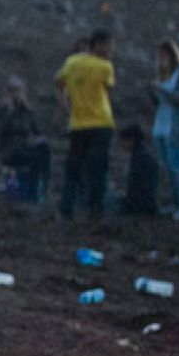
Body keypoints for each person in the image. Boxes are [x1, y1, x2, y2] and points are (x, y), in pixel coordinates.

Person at [55, 29, 117, 219]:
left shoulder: (72, 62)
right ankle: (95, 209)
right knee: (98, 170)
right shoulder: (105, 66)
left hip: (78, 124)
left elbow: (59, 85)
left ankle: (66, 207)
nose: (110, 49)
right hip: (100, 123)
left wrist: (67, 108)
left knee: (73, 168)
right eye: (107, 45)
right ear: (98, 44)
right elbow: (108, 91)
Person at [152, 40, 179, 220]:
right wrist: (153, 91)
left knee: (177, 166)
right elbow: (157, 103)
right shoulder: (163, 74)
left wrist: (162, 90)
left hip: (175, 127)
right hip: (161, 126)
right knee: (168, 167)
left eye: (165, 54)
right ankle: (175, 202)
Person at [0, 77, 51, 203]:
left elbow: (37, 130)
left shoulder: (28, 112)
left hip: (25, 147)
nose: (16, 94)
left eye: (18, 91)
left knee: (44, 150)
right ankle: (33, 193)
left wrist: (39, 140)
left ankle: (41, 190)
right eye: (13, 91)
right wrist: (10, 112)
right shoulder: (2, 111)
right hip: (9, 149)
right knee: (35, 157)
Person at [119, 124, 160, 215]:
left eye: (124, 141)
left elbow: (135, 187)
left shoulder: (139, 159)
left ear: (132, 140)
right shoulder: (144, 155)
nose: (122, 144)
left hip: (139, 207)